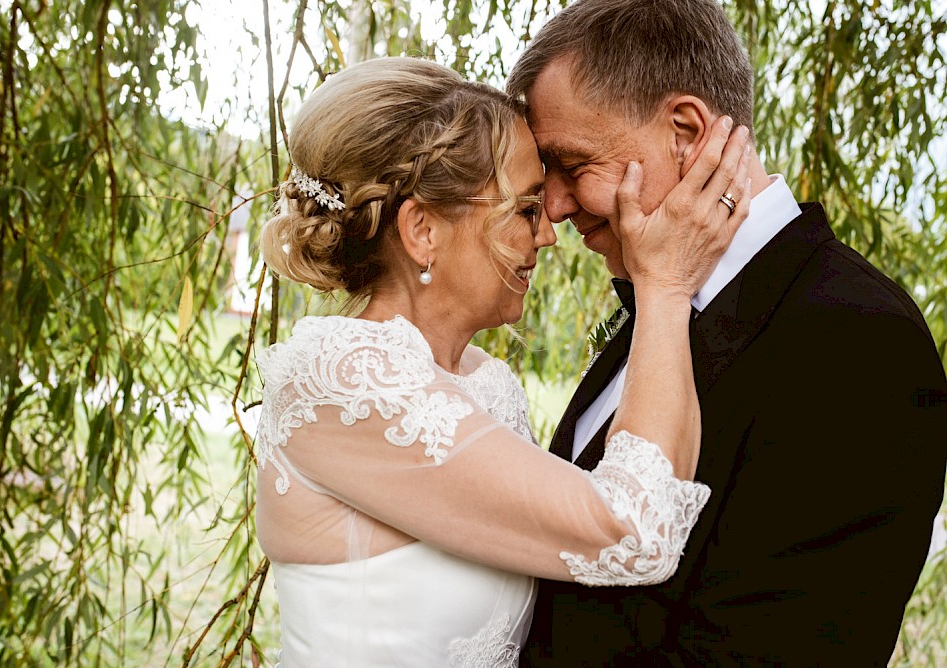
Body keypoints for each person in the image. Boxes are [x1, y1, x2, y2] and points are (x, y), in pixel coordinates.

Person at [255, 56, 751, 666]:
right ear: (423, 232)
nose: (548, 234)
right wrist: (667, 288)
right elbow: (635, 531)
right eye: (524, 209)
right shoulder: (346, 380)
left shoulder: (486, 382)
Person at [506, 1, 947, 665]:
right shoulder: (661, 297)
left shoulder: (856, 341)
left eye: (572, 164)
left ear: (684, 130)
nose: (558, 206)